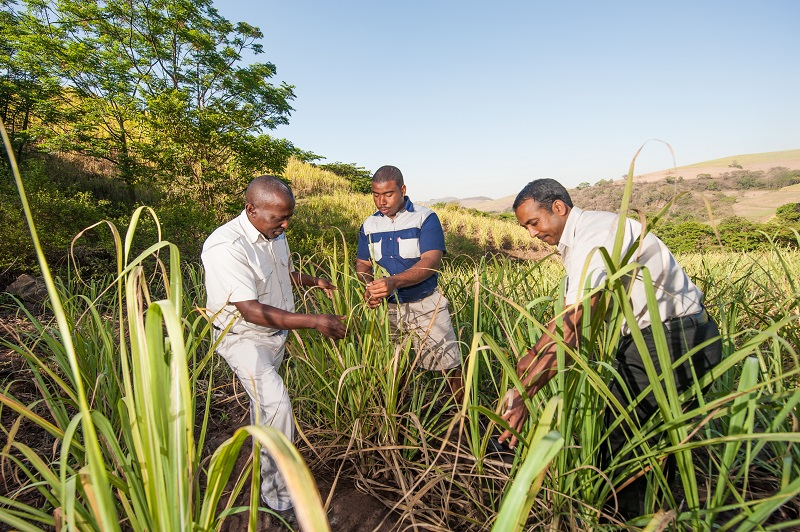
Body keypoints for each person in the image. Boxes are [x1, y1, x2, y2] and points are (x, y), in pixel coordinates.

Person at [497, 178, 721, 519]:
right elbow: (571, 320)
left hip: (669, 341)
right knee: (659, 438)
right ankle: (655, 516)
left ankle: (622, 519)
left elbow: (572, 324)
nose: (531, 234)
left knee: (619, 440)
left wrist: (526, 392)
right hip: (672, 336)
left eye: (533, 222)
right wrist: (526, 367)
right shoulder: (583, 236)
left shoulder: (595, 236)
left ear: (558, 207)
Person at [202, 175, 347, 519]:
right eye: (277, 218)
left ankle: (264, 454)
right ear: (251, 209)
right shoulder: (227, 246)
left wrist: (314, 281)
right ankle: (279, 496)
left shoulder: (273, 232)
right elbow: (250, 309)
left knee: (265, 406)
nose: (284, 225)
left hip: (274, 336)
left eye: (288, 218)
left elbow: (282, 274)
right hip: (242, 339)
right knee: (278, 403)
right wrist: (315, 321)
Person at [355, 165, 464, 402]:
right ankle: (400, 417)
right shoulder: (369, 225)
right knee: (395, 368)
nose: (381, 201)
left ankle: (465, 421)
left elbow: (431, 261)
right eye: (375, 195)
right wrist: (370, 286)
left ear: (402, 190)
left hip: (425, 306)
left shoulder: (425, 218)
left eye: (388, 194)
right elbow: (363, 264)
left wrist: (393, 281)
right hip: (388, 311)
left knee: (450, 366)